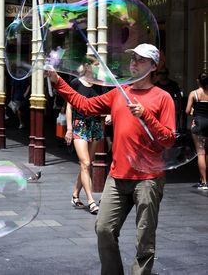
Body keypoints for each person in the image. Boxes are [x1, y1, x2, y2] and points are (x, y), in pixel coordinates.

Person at [47, 43, 176, 275]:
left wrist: (145, 115)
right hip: (117, 176)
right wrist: (58, 80)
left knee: (144, 238)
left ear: (154, 66)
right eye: (133, 58)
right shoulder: (120, 92)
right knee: (104, 228)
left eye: (141, 59)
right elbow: (85, 105)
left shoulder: (163, 98)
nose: (134, 62)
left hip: (148, 178)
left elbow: (168, 139)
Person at [64, 58, 105, 215]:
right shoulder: (76, 83)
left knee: (87, 164)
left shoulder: (100, 84)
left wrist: (108, 114)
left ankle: (75, 194)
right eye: (96, 65)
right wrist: (69, 128)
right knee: (86, 162)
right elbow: (69, 106)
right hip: (79, 125)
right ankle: (91, 201)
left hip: (95, 126)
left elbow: (103, 104)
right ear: (87, 66)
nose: (98, 68)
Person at [185, 71, 208, 190]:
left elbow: (187, 111)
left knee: (201, 152)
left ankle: (204, 182)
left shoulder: (194, 93)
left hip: (199, 123)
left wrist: (195, 113)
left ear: (198, 81)